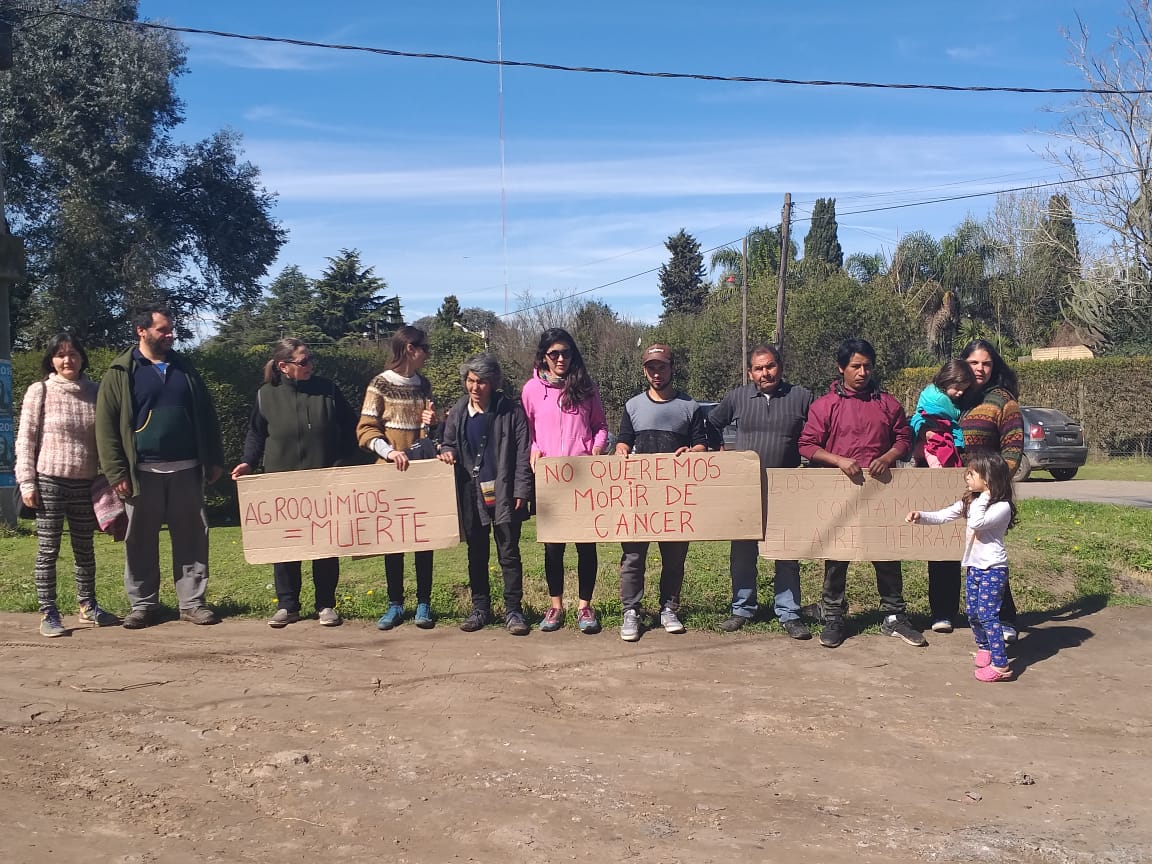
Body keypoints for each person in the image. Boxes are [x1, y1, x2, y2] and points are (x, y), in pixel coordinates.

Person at [96, 304, 225, 629]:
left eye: (170, 330)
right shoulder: (122, 371)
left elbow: (207, 416)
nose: (170, 335)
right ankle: (143, 605)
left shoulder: (185, 367)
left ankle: (192, 603)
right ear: (142, 330)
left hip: (187, 469)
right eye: (163, 330)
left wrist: (213, 458)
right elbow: (107, 427)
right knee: (139, 540)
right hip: (142, 475)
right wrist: (116, 472)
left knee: (193, 538)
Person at [797, 338, 926, 649]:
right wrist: (839, 460)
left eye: (867, 366)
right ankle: (833, 616)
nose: (862, 372)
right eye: (855, 366)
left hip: (880, 493)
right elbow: (807, 445)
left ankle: (894, 616)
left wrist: (890, 456)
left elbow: (904, 438)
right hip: (839, 495)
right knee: (838, 556)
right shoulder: (824, 406)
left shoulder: (888, 404)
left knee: (886, 553)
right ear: (842, 368)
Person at [232, 339, 358, 628]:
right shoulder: (266, 395)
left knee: (325, 544)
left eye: (310, 359)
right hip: (282, 483)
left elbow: (351, 428)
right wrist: (248, 462)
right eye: (303, 362)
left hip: (325, 480)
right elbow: (256, 434)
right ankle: (288, 606)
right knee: (285, 546)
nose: (310, 365)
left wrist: (342, 462)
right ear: (283, 367)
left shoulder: (328, 389)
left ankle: (326, 605)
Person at [15, 333, 119, 637]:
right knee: (48, 551)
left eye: (73, 353)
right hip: (48, 481)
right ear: (51, 360)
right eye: (60, 355)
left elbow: (107, 439)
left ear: (82, 357)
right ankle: (49, 612)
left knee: (85, 550)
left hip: (85, 483)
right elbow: (25, 439)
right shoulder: (40, 391)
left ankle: (88, 605)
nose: (67, 360)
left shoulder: (97, 392)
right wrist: (27, 483)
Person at [707, 344, 814, 639]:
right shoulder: (737, 398)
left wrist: (813, 465)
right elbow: (711, 424)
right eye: (758, 368)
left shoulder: (801, 397)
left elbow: (820, 431)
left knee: (787, 552)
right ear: (750, 372)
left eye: (770, 366)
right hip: (745, 490)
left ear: (780, 366)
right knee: (742, 553)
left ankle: (790, 613)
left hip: (787, 489)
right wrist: (720, 453)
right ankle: (742, 609)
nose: (765, 373)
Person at [927, 339, 1024, 640]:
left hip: (988, 494)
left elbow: (1013, 450)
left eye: (986, 363)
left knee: (986, 555)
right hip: (949, 485)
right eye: (974, 363)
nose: (980, 369)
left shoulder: (1003, 402)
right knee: (942, 549)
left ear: (994, 367)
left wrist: (991, 487)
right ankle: (943, 612)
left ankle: (1003, 617)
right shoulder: (951, 399)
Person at [615, 344, 708, 642]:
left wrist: (692, 451)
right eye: (651, 368)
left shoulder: (689, 406)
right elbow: (623, 442)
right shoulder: (632, 406)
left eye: (662, 367)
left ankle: (669, 608)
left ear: (672, 368)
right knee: (632, 557)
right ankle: (631, 611)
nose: (657, 373)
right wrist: (620, 450)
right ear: (644, 371)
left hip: (676, 498)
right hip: (638, 497)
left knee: (674, 558)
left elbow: (701, 445)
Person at [521, 327, 609, 634]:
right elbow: (529, 433)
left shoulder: (587, 387)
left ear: (574, 355)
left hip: (583, 481)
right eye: (554, 354)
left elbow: (600, 427)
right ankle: (555, 606)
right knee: (553, 549)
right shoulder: (531, 390)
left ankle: (585, 607)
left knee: (586, 546)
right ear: (543, 357)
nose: (561, 359)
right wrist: (534, 451)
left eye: (566, 353)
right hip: (550, 482)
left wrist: (596, 449)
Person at [440, 353, 533, 636]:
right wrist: (447, 452)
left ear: (492, 383)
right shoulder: (458, 411)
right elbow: (448, 443)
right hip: (472, 496)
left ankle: (513, 611)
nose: (475, 387)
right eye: (470, 380)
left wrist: (521, 489)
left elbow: (523, 452)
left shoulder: (511, 411)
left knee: (509, 554)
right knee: (476, 555)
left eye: (481, 381)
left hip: (505, 493)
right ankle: (480, 609)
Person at [906, 451, 1017, 682]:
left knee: (988, 615)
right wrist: (921, 516)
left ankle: (1000, 665)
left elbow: (977, 523)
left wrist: (985, 495)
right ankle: (984, 646)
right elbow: (945, 515)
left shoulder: (1001, 507)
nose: (967, 477)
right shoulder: (972, 501)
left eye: (972, 474)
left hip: (993, 569)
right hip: (974, 567)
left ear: (988, 478)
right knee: (973, 613)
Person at [356, 326, 440, 630]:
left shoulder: (424, 385)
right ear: (409, 349)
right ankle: (395, 604)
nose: (427, 353)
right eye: (424, 348)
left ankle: (423, 603)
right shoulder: (380, 384)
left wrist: (435, 422)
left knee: (423, 540)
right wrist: (389, 452)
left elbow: (429, 433)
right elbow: (365, 429)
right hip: (389, 475)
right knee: (393, 540)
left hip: (421, 473)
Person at [909, 360, 977, 469]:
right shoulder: (941, 398)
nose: (960, 393)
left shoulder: (930, 389)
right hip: (933, 431)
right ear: (946, 381)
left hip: (920, 435)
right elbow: (953, 413)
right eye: (957, 388)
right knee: (939, 455)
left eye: (964, 390)